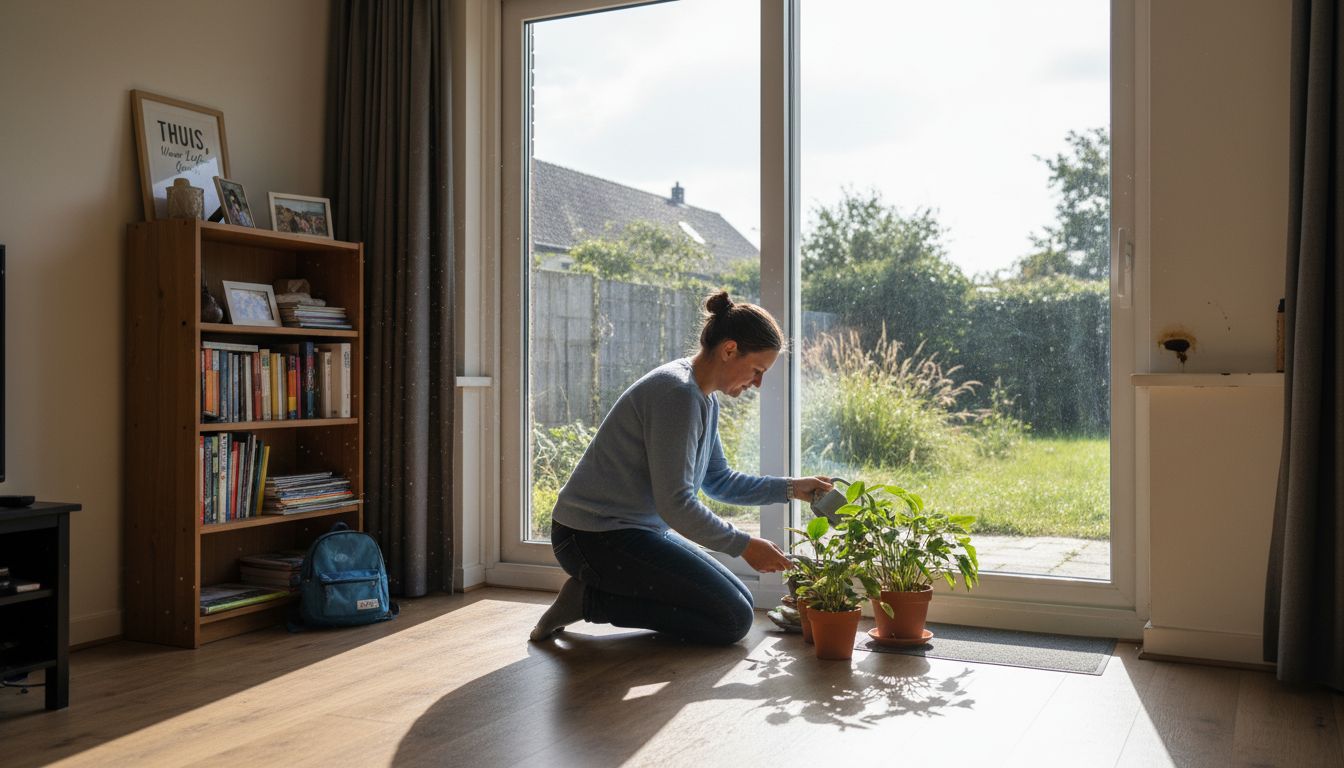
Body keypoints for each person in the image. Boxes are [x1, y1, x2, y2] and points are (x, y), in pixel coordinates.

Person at [529, 291, 833, 645]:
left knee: (742, 602)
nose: (757, 384)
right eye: (757, 370)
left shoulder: (702, 397)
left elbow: (718, 481)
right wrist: (745, 544)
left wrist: (792, 488)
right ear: (730, 349)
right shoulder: (677, 394)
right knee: (732, 620)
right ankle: (589, 600)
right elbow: (675, 504)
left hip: (632, 531)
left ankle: (594, 594)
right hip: (589, 538)